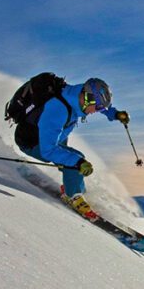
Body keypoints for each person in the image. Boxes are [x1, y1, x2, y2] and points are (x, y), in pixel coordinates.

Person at [15, 77, 129, 221]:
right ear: (87, 99)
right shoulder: (57, 110)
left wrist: (115, 114)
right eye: (98, 107)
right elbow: (48, 150)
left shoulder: (76, 95)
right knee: (75, 159)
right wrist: (78, 163)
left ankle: (71, 183)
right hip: (33, 142)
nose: (97, 111)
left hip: (55, 137)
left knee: (71, 159)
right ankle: (72, 196)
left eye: (101, 108)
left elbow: (99, 104)